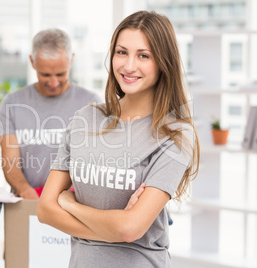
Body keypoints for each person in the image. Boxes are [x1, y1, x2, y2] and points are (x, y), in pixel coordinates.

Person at [37, 11, 200, 267]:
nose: (128, 65)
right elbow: (45, 210)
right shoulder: (85, 119)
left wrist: (69, 202)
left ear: (163, 63)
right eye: (121, 52)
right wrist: (111, 229)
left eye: (143, 55)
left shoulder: (174, 135)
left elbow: (130, 229)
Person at [0, 28, 101, 199]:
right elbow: (10, 161)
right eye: (45, 75)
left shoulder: (91, 102)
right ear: (32, 62)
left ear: (71, 60)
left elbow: (96, 162)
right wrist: (24, 189)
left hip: (75, 204)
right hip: (27, 201)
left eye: (61, 74)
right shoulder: (12, 103)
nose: (53, 83)